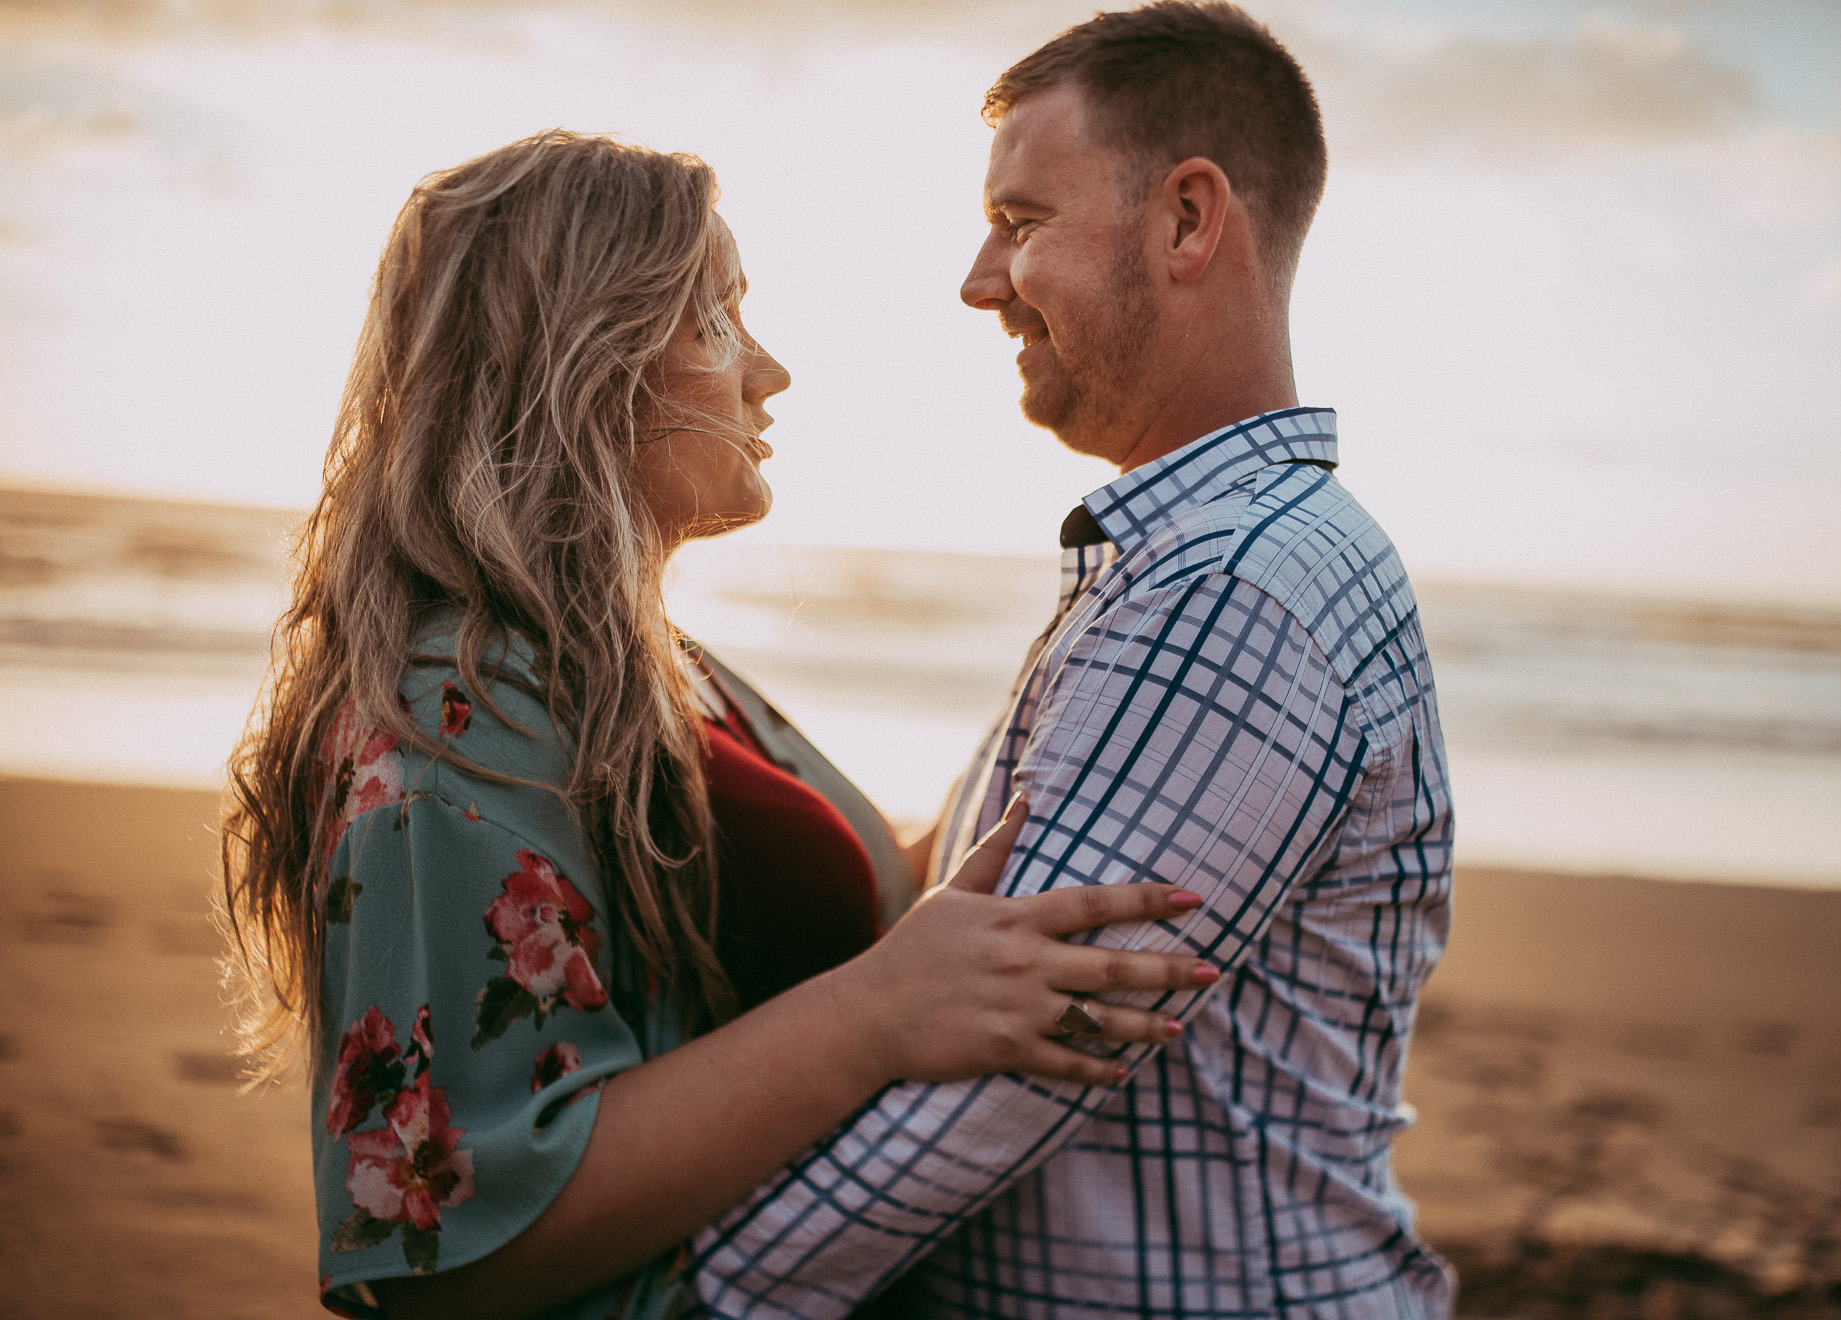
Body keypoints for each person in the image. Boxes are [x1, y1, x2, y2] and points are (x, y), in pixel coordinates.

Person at [217, 130, 1226, 1320]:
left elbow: (804, 922)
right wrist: (876, 1015)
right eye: (718, 318)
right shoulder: (456, 712)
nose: (769, 372)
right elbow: (445, 1253)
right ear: (579, 357)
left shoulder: (640, 669)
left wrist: (1086, 691)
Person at [690, 5, 1456, 1317]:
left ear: (1186, 221)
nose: (981, 280)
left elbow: (987, 1084)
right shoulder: (1189, 560)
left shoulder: (1227, 590)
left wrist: (673, 1299)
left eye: (1023, 220)